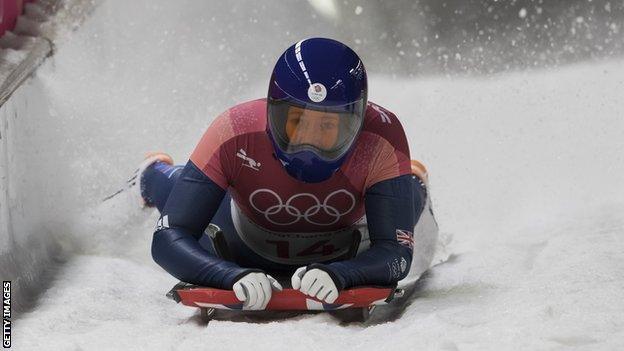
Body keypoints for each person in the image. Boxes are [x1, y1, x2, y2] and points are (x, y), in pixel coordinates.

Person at [137, 38, 438, 311]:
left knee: (403, 198)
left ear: (356, 123)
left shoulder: (381, 137)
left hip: (341, 244)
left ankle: (412, 180)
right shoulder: (234, 128)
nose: (309, 144)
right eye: (297, 122)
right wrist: (230, 275)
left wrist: (342, 273)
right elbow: (167, 238)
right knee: (173, 187)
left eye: (327, 127)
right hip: (239, 231)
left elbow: (396, 254)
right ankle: (153, 171)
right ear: (273, 112)